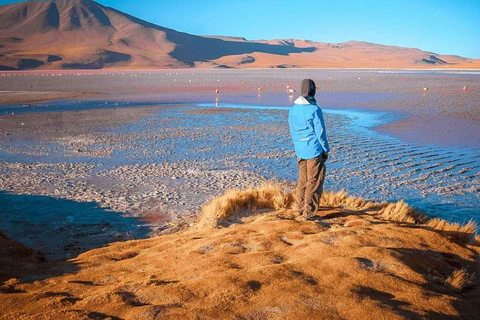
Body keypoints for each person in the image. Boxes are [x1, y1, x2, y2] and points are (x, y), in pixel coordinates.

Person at [288, 79, 330, 221]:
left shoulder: (293, 109)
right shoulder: (314, 109)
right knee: (314, 181)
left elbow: (292, 130)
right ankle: (309, 213)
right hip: (313, 150)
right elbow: (320, 133)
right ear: (312, 91)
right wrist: (325, 150)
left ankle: (299, 207)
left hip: (300, 150)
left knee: (302, 179)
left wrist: (297, 145)